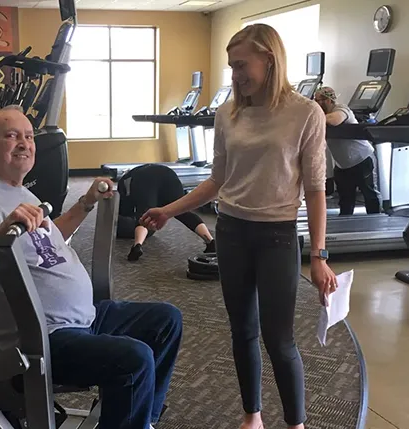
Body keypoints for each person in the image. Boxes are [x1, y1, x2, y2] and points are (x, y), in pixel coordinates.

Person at [0, 105, 183, 429]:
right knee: (134, 360)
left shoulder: (22, 192)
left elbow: (50, 240)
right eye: (11, 136)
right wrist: (1, 233)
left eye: (28, 136)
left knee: (166, 320)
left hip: (86, 318)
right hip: (41, 337)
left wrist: (86, 202)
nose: (24, 143)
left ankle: (141, 422)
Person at [140, 24, 338, 429]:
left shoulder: (306, 113)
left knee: (279, 340)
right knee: (242, 330)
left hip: (278, 236)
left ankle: (295, 423)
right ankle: (253, 415)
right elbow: (218, 180)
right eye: (231, 67)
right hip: (231, 231)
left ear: (269, 58)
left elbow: (316, 189)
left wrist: (319, 255)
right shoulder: (227, 112)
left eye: (241, 65)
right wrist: (169, 210)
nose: (235, 76)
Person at [116, 163, 216, 261]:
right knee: (183, 212)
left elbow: (126, 212)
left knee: (144, 215)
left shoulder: (123, 182)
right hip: (169, 175)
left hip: (145, 179)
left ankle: (137, 246)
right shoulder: (138, 172)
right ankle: (210, 241)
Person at [314, 86, 381, 215]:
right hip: (343, 165)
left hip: (362, 159)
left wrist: (313, 117)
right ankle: (344, 226)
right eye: (316, 100)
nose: (318, 103)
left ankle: (375, 222)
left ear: (330, 100)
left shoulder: (342, 109)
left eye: (321, 100)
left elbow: (335, 120)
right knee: (345, 200)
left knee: (370, 195)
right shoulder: (321, 115)